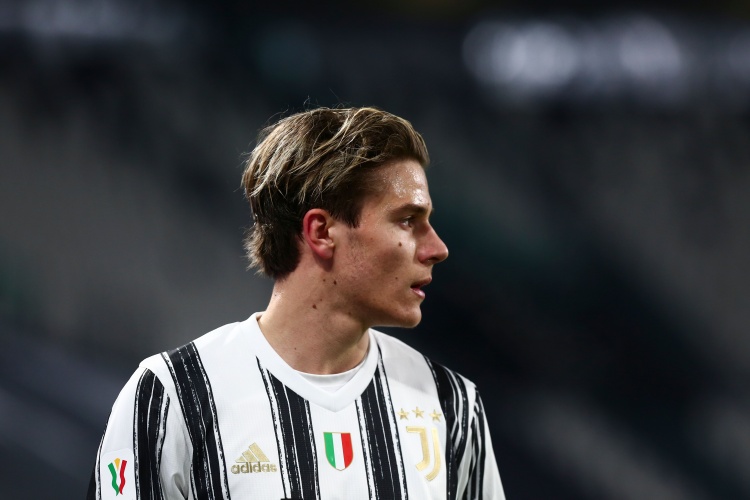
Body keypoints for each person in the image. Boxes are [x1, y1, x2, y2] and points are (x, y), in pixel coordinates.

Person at [88, 107, 505, 499]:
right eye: (407, 220)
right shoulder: (171, 396)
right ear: (321, 232)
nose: (437, 248)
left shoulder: (451, 405)